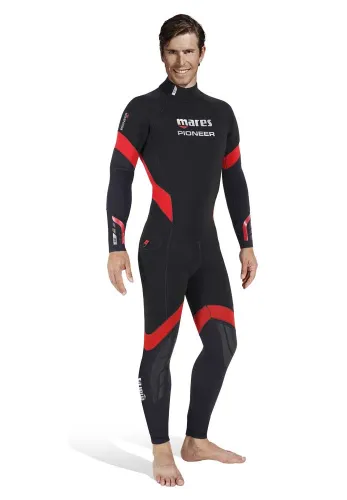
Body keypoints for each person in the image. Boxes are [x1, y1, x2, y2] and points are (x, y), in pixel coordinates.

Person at [106, 14, 258, 487]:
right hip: (163, 247)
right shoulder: (144, 109)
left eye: (189, 51)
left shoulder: (221, 113)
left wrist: (247, 242)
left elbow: (234, 180)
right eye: (173, 52)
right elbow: (120, 175)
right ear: (162, 54)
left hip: (206, 247)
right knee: (160, 348)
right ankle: (161, 450)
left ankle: (195, 440)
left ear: (202, 53)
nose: (181, 61)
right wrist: (115, 244)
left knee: (223, 343)